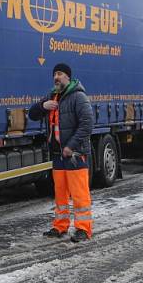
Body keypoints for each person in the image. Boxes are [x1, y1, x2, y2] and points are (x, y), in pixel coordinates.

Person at [28, 63, 94, 242]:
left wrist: (71, 146)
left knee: (79, 194)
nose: (56, 77)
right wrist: (43, 106)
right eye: (54, 74)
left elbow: (87, 124)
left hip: (74, 154)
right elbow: (32, 115)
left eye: (60, 74)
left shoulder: (78, 97)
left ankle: (83, 229)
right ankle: (60, 226)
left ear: (68, 77)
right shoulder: (51, 97)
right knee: (61, 194)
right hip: (57, 154)